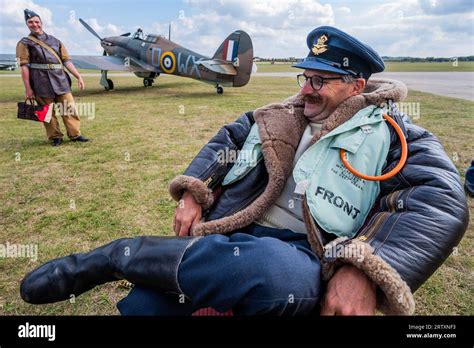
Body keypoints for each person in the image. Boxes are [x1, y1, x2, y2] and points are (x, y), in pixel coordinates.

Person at [20, 26, 468, 316]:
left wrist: (366, 267)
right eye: (304, 77)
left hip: (304, 254)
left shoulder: (396, 135)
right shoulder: (276, 114)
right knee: (144, 310)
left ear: (357, 85)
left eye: (320, 80)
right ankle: (146, 269)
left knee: (275, 272)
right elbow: (228, 139)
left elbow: (442, 196)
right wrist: (195, 192)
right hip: (235, 231)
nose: (306, 90)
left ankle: (115, 256)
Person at [16, 9, 89, 146]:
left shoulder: (56, 41)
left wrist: (78, 76)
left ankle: (75, 134)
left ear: (41, 23)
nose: (34, 24)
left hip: (60, 80)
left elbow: (66, 61)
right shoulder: (24, 43)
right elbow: (24, 66)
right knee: (47, 112)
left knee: (69, 109)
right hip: (40, 82)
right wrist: (28, 88)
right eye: (30, 22)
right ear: (27, 24)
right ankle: (55, 137)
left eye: (36, 21)